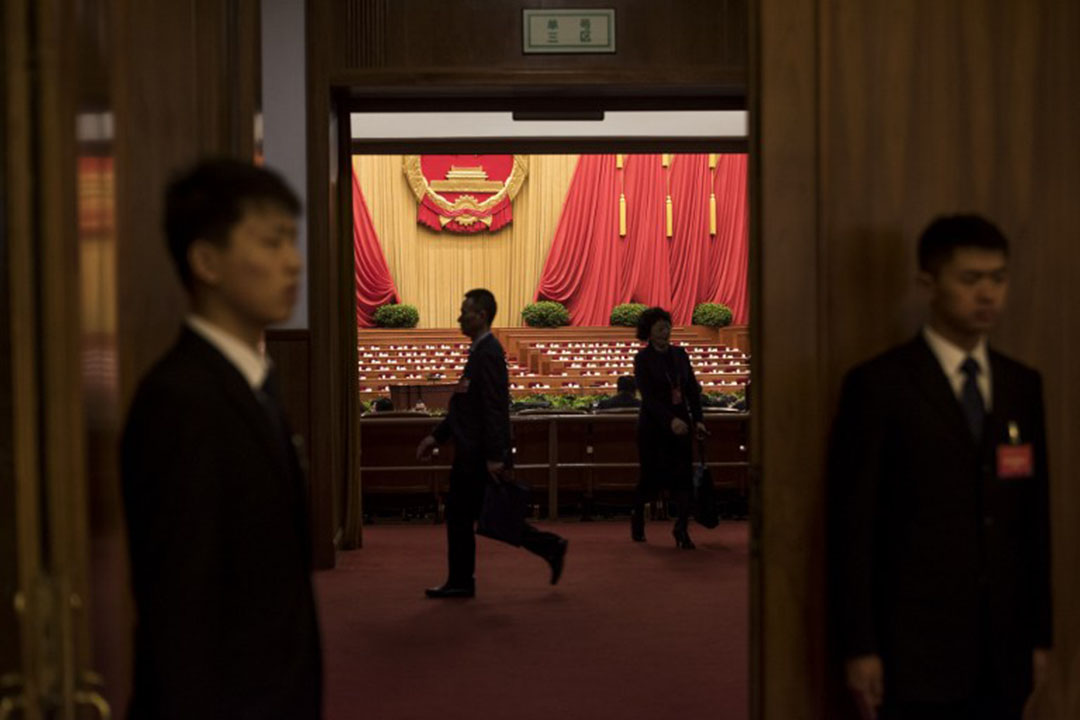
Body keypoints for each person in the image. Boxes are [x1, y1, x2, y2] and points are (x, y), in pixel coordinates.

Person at [121, 159, 321, 719]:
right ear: (206, 261)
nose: (293, 262)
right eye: (271, 242)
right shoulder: (181, 400)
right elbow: (181, 609)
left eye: (292, 240)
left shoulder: (251, 379)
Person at [829, 215, 1051, 720]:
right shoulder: (879, 385)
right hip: (912, 653)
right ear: (929, 284)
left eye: (998, 278)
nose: (988, 294)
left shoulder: (1022, 384)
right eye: (971, 280)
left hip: (1005, 652)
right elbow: (853, 527)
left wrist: (1041, 636)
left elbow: (1033, 520)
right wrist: (859, 646)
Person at [416, 289, 568, 598]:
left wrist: (496, 456)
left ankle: (462, 581)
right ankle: (549, 547)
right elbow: (465, 406)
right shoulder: (479, 351)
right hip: (473, 453)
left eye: (465, 312)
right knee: (490, 517)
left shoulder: (489, 353)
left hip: (477, 456)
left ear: (481, 315)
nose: (460, 317)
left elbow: (494, 408)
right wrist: (437, 436)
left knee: (465, 517)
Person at [631, 307, 709, 548]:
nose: (666, 332)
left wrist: (698, 420)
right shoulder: (642, 359)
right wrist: (669, 421)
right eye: (660, 328)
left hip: (681, 424)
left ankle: (682, 529)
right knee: (650, 479)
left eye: (668, 327)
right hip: (654, 427)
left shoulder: (680, 354)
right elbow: (649, 398)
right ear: (649, 332)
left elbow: (691, 391)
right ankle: (637, 519)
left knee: (683, 477)